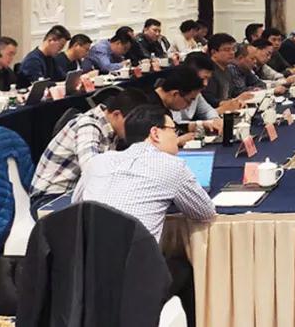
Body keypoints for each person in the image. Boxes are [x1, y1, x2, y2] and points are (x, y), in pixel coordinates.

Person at [72, 104, 215, 325]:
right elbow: (205, 212)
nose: (176, 136)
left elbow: (76, 205)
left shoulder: (98, 162)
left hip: (82, 275)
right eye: (173, 130)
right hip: (134, 281)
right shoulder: (171, 165)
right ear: (155, 133)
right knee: (184, 269)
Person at [30, 89, 144, 208]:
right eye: (132, 124)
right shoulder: (88, 125)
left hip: (75, 193)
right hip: (49, 199)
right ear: (116, 115)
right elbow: (92, 171)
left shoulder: (112, 128)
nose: (133, 129)